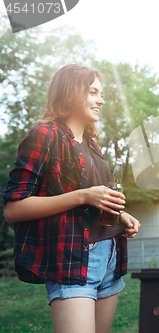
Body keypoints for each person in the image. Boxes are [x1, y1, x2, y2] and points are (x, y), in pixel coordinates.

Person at [1, 64, 141, 333]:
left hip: (110, 257)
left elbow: (93, 202)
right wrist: (83, 196)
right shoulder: (43, 136)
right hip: (73, 260)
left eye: (102, 93)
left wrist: (121, 216)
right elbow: (13, 209)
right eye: (93, 92)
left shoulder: (91, 144)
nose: (101, 100)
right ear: (70, 92)